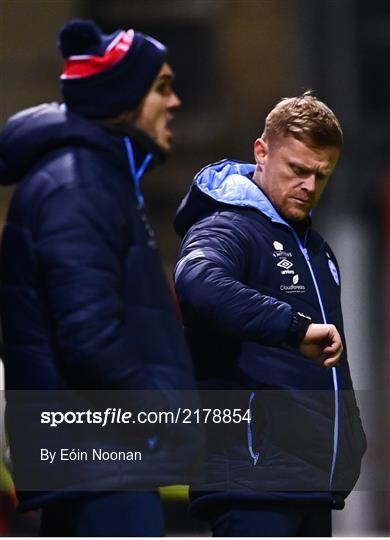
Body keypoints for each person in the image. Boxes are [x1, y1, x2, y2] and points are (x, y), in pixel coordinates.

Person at [0, 19, 200, 536]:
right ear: (121, 99)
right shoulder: (79, 185)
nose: (175, 102)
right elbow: (89, 338)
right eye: (161, 87)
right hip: (101, 460)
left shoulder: (95, 179)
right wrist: (159, 415)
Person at [174, 92, 366, 536]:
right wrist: (291, 327)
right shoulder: (227, 226)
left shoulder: (316, 250)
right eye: (298, 170)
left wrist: (350, 439)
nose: (310, 187)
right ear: (261, 152)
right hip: (251, 482)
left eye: (322, 175)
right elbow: (197, 281)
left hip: (311, 482)